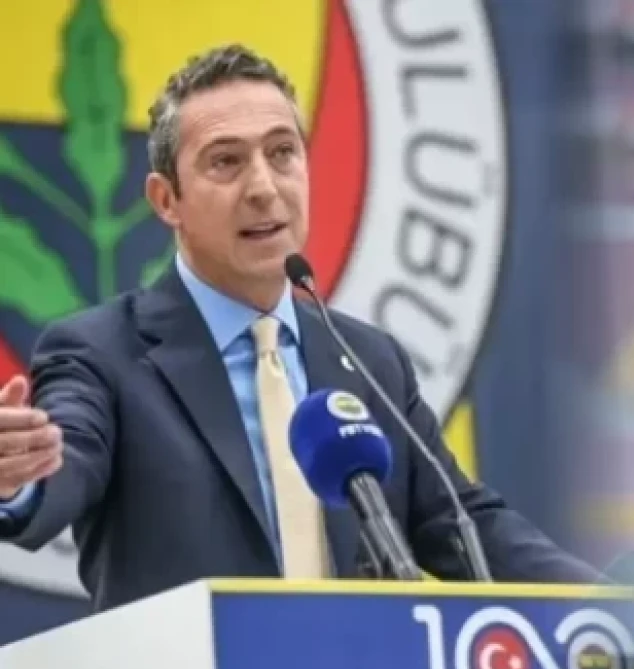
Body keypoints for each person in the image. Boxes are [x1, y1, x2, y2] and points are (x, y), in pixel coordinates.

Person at [0, 44, 601, 612]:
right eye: (226, 162)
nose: (263, 188)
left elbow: (463, 523)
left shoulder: (369, 359)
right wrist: (17, 480)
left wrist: (615, 606)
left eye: (282, 152)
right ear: (166, 200)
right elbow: (62, 462)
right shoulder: (101, 353)